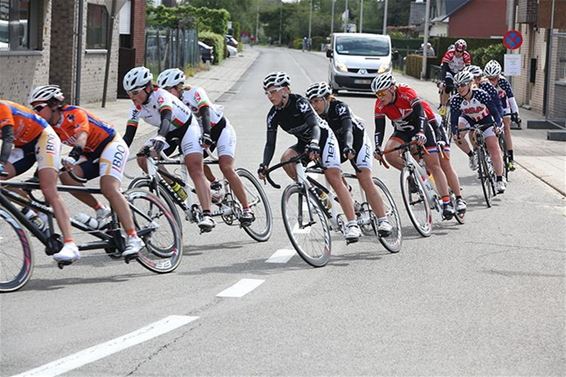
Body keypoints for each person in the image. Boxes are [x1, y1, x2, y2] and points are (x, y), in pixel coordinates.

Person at [29, 85, 144, 259]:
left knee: (109, 187)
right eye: (33, 109)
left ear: (53, 105)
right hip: (90, 154)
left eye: (39, 108)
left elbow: (82, 137)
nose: (36, 113)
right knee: (64, 175)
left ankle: (134, 237)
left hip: (111, 145)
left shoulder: (74, 113)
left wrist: (74, 156)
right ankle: (100, 209)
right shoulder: (49, 128)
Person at [257, 72, 361, 242]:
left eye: (273, 91)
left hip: (323, 138)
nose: (270, 96)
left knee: (332, 176)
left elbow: (315, 126)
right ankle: (316, 193)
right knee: (287, 158)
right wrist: (264, 164)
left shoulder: (300, 102)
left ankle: (352, 224)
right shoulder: (273, 114)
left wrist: (314, 143)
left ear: (285, 90)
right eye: (267, 93)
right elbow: (270, 143)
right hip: (306, 143)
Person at [156, 68, 254, 225]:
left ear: (177, 87)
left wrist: (207, 133)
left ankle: (246, 208)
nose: (164, 94)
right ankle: (214, 184)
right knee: (192, 163)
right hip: (198, 134)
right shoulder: (169, 103)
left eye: (167, 90)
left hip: (219, 130)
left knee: (226, 167)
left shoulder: (195, 92)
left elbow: (205, 111)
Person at [122, 66, 215, 232]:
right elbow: (128, 136)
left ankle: (207, 214)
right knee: (143, 158)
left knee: (194, 166)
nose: (132, 97)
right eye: (129, 93)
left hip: (186, 128)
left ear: (148, 88)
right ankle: (175, 186)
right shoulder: (135, 108)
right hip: (167, 133)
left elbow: (166, 117)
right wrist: (119, 152)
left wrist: (160, 137)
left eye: (135, 92)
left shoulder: (161, 96)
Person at [305, 81, 393, 236]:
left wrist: (348, 146)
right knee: (331, 172)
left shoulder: (339, 107)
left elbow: (347, 130)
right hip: (338, 144)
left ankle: (383, 220)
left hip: (356, 141)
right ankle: (351, 201)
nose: (314, 105)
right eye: (311, 102)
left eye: (317, 100)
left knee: (364, 177)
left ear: (327, 98)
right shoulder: (314, 116)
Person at [0, 100, 79, 263]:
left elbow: (8, 138)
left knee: (48, 189)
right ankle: (35, 212)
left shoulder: (2, 107)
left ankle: (70, 244)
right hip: (23, 147)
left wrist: (1, 164)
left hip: (44, 137)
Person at [371, 72, 457, 219]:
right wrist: (378, 147)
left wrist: (422, 133)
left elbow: (421, 114)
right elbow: (379, 128)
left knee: (434, 165)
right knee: (389, 153)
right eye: (377, 94)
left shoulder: (406, 92)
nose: (380, 97)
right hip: (402, 131)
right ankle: (411, 176)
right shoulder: (380, 104)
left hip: (420, 127)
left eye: (382, 93)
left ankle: (447, 201)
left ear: (392, 89)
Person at [449, 70, 507, 193]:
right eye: (457, 85)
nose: (460, 88)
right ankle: (472, 155)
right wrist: (455, 132)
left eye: (463, 84)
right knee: (457, 136)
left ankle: (499, 179)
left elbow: (495, 111)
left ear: (470, 84)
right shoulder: (455, 100)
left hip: (485, 119)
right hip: (468, 119)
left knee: (493, 147)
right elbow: (454, 120)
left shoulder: (481, 94)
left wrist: (498, 124)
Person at [484, 59, 519, 171]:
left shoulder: (503, 82)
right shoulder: (484, 84)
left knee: (506, 127)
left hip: (503, 105)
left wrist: (515, 113)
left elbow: (511, 98)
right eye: (489, 78)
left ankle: (511, 159)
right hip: (491, 106)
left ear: (498, 76)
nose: (492, 81)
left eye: (494, 78)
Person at [439, 39, 471, 113]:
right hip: (449, 71)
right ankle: (443, 107)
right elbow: (444, 67)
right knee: (448, 87)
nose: (458, 53)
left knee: (461, 89)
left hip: (459, 73)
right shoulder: (450, 53)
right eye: (457, 51)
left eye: (461, 52)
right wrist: (442, 80)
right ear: (455, 49)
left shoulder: (466, 55)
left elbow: (468, 69)